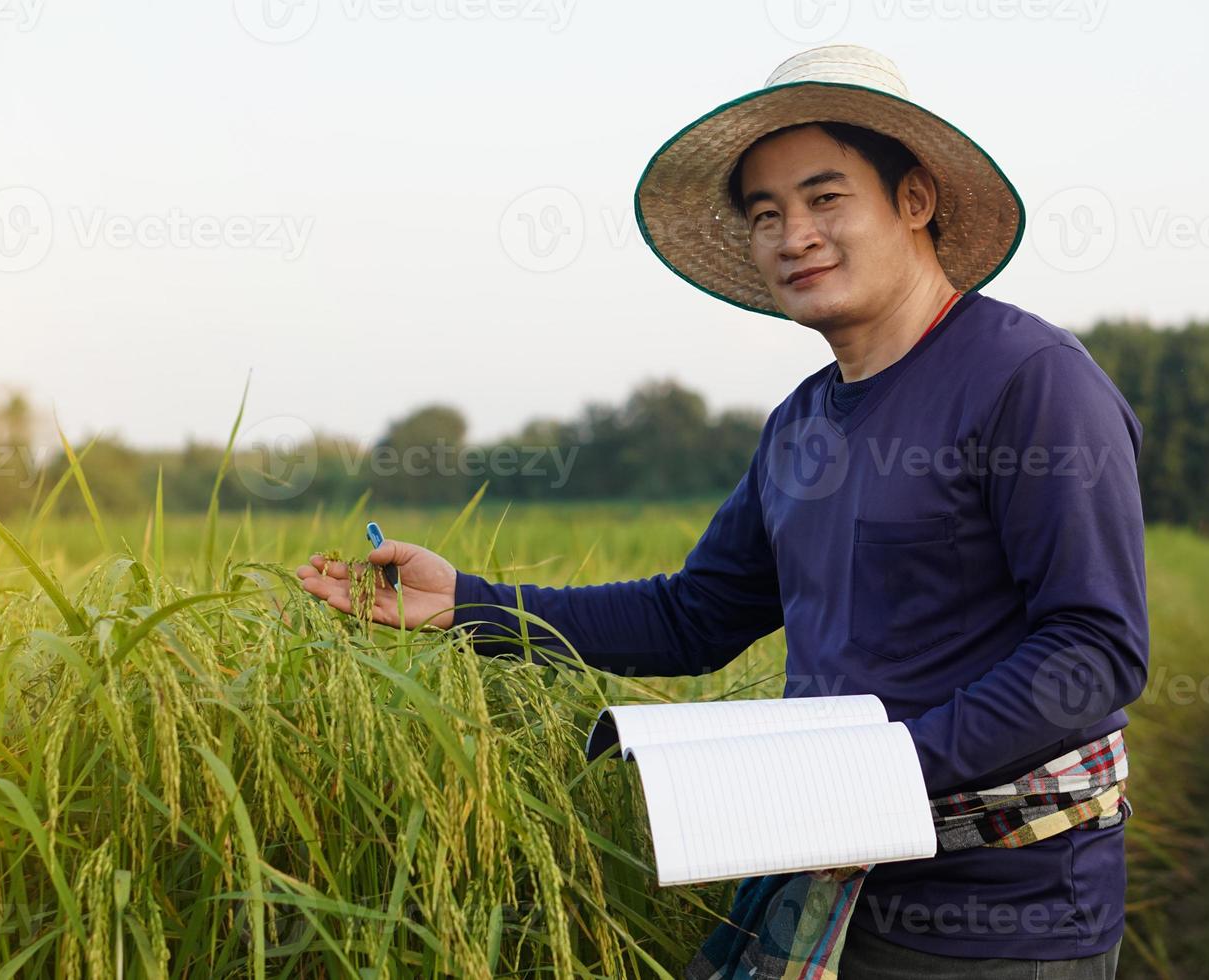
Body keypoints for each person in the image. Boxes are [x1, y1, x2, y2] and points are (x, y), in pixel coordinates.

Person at [298, 44, 1146, 980]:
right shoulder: (800, 427)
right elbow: (693, 616)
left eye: (826, 199)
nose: (795, 235)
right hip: (820, 888)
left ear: (915, 200)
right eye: (766, 213)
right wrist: (468, 603)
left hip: (1002, 919)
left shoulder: (1029, 381)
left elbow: (1095, 647)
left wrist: (874, 773)